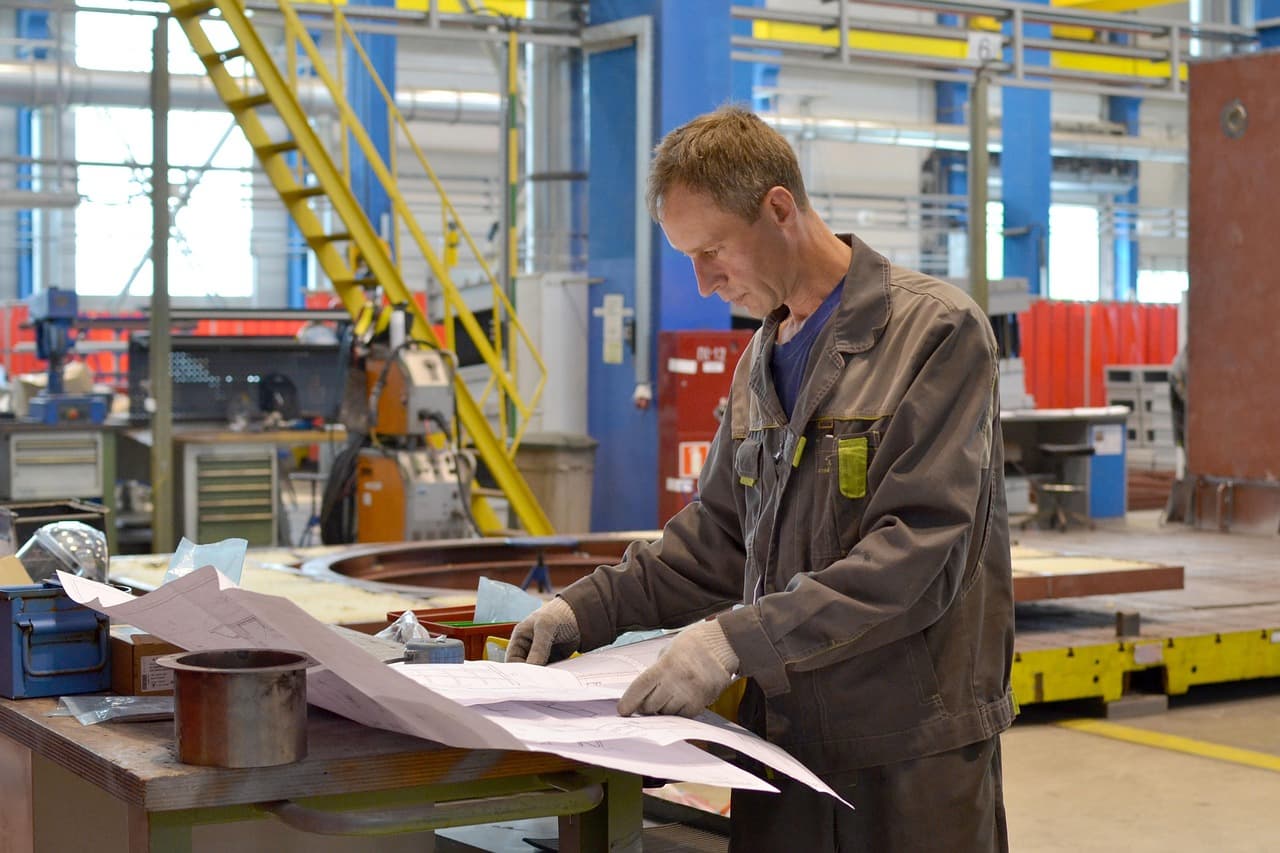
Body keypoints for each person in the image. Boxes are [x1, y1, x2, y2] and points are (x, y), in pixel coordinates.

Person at [506, 105, 1014, 852]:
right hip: (782, 746)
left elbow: (915, 555)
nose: (704, 283)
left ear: (780, 208)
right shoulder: (759, 362)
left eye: (713, 250)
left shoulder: (934, 334)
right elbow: (713, 543)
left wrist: (731, 643)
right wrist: (580, 611)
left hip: (906, 759)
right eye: (687, 257)